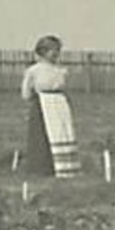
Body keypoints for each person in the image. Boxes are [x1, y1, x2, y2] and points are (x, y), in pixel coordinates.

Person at [21, 35, 80, 179]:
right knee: (41, 136)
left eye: (57, 51)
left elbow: (64, 88)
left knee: (61, 133)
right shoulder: (34, 71)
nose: (55, 54)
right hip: (42, 105)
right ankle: (40, 168)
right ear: (42, 51)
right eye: (51, 50)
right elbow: (26, 92)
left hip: (59, 106)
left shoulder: (61, 71)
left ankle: (63, 167)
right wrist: (36, 99)